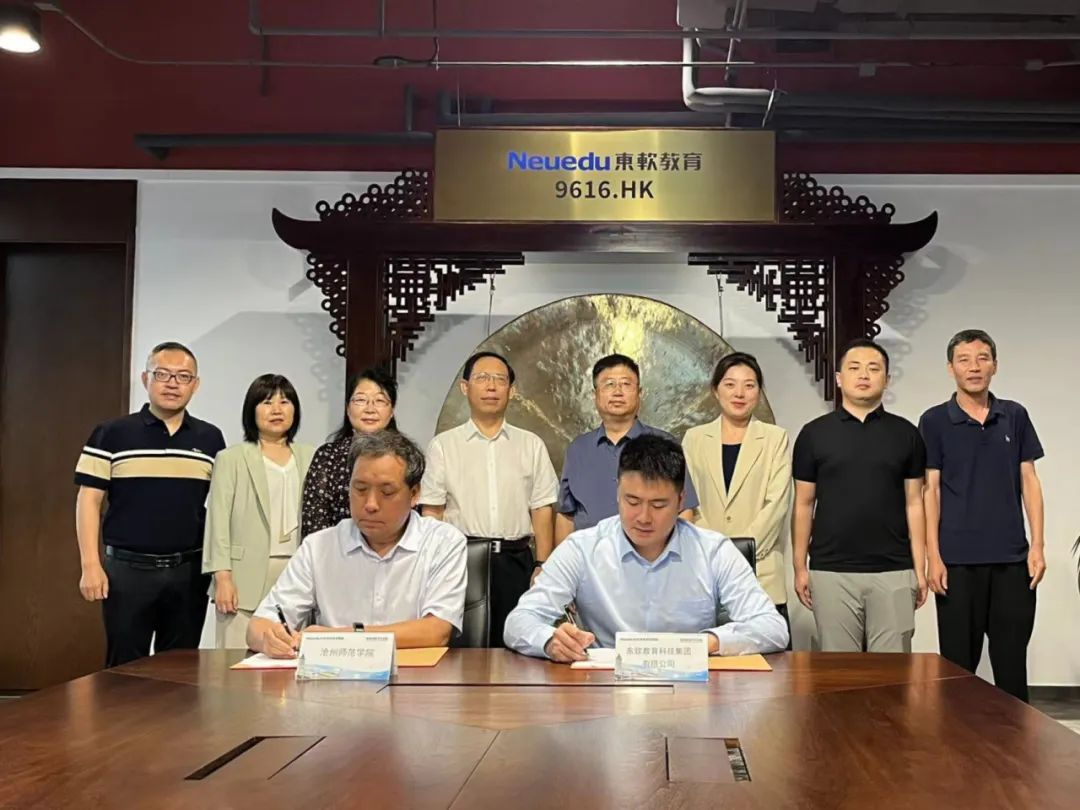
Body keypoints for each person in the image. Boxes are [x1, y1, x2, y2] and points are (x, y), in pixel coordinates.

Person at [505, 434, 788, 661]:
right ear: (618, 492)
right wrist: (550, 641)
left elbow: (772, 628)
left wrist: (707, 643)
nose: (643, 517)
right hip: (604, 690)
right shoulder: (582, 548)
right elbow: (519, 621)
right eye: (632, 501)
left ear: (681, 500)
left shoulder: (714, 551)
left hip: (691, 691)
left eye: (658, 505)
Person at [247, 430, 467, 657]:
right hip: (333, 676)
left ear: (414, 494)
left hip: (412, 676)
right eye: (360, 489)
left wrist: (341, 638)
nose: (371, 504)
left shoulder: (443, 543)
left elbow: (436, 631)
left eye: (387, 492)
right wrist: (269, 639)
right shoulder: (319, 547)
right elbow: (258, 626)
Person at [74, 341, 226, 667]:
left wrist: (222, 571)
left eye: (183, 376)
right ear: (146, 379)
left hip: (189, 572)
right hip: (127, 572)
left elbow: (222, 509)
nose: (172, 383)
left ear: (195, 385)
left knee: (181, 670)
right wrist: (90, 565)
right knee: (124, 670)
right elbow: (88, 500)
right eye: (162, 374)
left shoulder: (211, 439)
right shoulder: (111, 434)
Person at [919, 330, 1045, 702]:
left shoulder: (1014, 415)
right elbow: (930, 491)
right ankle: (956, 740)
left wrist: (1037, 545)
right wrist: (933, 556)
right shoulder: (935, 421)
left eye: (982, 358)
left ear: (995, 365)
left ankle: (1014, 738)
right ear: (951, 368)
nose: (974, 367)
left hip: (1012, 560)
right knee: (957, 671)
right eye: (964, 360)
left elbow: (1029, 480)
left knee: (1011, 666)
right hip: (957, 563)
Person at [791, 338, 928, 653]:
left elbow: (914, 503)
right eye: (854, 368)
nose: (864, 375)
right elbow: (803, 504)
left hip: (894, 570)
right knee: (839, 673)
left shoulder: (906, 434)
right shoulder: (813, 434)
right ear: (839, 378)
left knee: (894, 673)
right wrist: (800, 567)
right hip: (831, 571)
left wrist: (919, 570)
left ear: (887, 379)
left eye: (873, 368)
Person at [420, 351, 558, 647]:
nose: (491, 386)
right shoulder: (443, 445)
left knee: (516, 646)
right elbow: (432, 511)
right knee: (461, 648)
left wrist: (542, 564)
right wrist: (433, 565)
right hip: (462, 560)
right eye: (482, 378)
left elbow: (542, 508)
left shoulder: (531, 444)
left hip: (516, 561)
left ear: (512, 390)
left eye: (500, 379)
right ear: (465, 387)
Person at [683, 352, 793, 634]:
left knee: (769, 657)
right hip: (706, 573)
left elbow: (777, 504)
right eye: (730, 384)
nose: (739, 393)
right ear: (715, 390)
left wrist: (743, 552)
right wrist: (715, 552)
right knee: (710, 656)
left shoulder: (775, 438)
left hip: (762, 573)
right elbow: (689, 502)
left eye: (749, 385)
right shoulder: (694, 438)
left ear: (759, 391)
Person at [202, 374, 315, 648]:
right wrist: (222, 577)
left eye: (284, 402)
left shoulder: (312, 456)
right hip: (243, 575)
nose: (277, 409)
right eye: (267, 402)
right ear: (251, 410)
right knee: (234, 659)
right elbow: (218, 520)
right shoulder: (231, 458)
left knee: (291, 655)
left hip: (297, 570)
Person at [556, 353, 698, 544]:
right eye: (609, 384)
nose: (617, 392)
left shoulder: (664, 444)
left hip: (650, 557)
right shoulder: (578, 449)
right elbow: (566, 515)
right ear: (595, 395)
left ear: (639, 393)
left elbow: (684, 510)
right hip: (590, 558)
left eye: (625, 384)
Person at [301, 368, 397, 538]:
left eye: (380, 401)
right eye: (360, 400)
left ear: (392, 411)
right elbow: (315, 522)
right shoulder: (327, 456)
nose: (370, 409)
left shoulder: (403, 458)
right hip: (336, 550)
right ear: (347, 408)